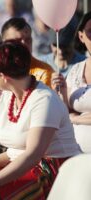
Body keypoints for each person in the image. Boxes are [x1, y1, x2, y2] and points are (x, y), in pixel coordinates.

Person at [0, 40, 81, 200]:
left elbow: (33, 154)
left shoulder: (44, 100)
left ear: (3, 77)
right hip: (19, 164)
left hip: (52, 169)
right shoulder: (6, 96)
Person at [52, 12, 91, 153]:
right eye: (90, 32)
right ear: (81, 36)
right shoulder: (76, 70)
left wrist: (76, 119)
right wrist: (60, 92)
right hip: (74, 153)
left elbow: (71, 118)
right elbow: (65, 113)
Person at [1, 17, 54, 87]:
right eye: (17, 40)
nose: (24, 44)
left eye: (28, 39)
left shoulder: (44, 72)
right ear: (4, 43)